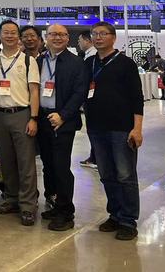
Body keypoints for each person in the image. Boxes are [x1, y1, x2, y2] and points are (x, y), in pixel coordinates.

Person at [84, 21, 143, 241]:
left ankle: (128, 220)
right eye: (94, 34)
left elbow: (137, 98)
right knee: (107, 174)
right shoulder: (89, 63)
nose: (98, 37)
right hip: (96, 128)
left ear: (113, 37)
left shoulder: (126, 63)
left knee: (125, 175)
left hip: (122, 128)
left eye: (103, 34)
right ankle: (115, 215)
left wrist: (137, 128)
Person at [0, 19, 40, 226]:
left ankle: (28, 205)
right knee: (6, 161)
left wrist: (34, 118)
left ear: (18, 36)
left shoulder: (28, 60)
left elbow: (34, 91)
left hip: (22, 114)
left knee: (26, 162)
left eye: (13, 32)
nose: (9, 35)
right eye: (5, 32)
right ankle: (12, 198)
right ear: (0, 35)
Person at [37, 24, 89, 231]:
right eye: (53, 34)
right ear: (46, 37)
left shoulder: (76, 63)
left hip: (63, 121)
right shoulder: (39, 61)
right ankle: (54, 203)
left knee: (61, 166)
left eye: (62, 35)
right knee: (48, 165)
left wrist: (63, 116)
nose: (57, 38)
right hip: (42, 119)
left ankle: (66, 212)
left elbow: (80, 92)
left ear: (68, 38)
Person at [77, 30, 98, 170]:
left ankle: (96, 158)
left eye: (80, 41)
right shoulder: (88, 55)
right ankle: (94, 156)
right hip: (89, 98)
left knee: (94, 130)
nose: (78, 43)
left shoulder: (93, 56)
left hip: (93, 99)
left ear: (87, 40)